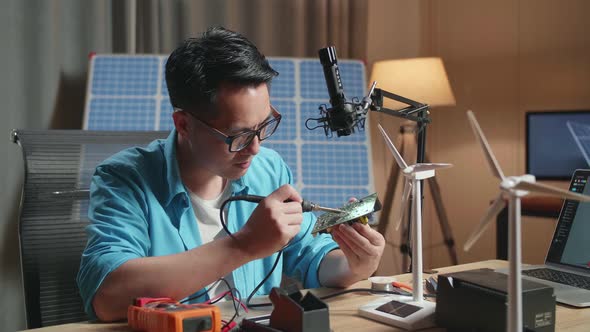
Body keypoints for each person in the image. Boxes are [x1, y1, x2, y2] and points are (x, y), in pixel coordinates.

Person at [77, 26, 385, 322]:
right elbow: (107, 296)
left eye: (264, 126)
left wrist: (354, 263)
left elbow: (308, 254)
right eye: (238, 136)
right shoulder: (125, 179)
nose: (255, 148)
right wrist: (244, 245)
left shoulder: (268, 168)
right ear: (183, 124)